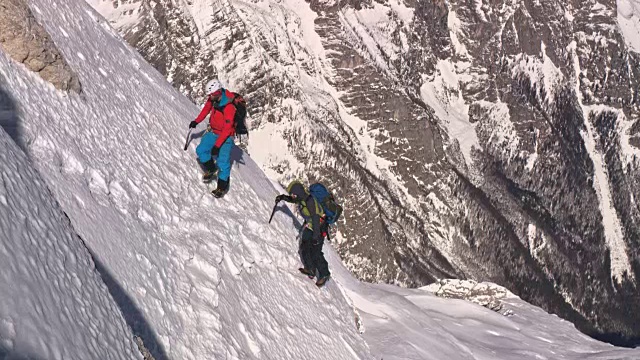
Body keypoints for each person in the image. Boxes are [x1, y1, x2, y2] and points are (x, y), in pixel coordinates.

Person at [276, 180, 331, 287]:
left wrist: (316, 236)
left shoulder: (309, 201)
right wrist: (282, 197)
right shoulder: (302, 198)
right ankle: (310, 268)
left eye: (293, 194)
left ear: (298, 193)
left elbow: (315, 218)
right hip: (310, 226)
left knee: (316, 251)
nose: (292, 196)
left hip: (318, 227)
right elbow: (293, 200)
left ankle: (324, 274)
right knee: (305, 245)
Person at [189, 79, 236, 198]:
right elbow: (206, 110)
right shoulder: (213, 99)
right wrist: (196, 121)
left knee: (222, 162)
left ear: (218, 92)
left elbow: (227, 129)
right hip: (214, 132)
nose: (210, 97)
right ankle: (211, 168)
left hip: (226, 137)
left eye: (211, 95)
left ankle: (222, 187)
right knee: (201, 150)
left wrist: (217, 145)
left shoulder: (229, 107)